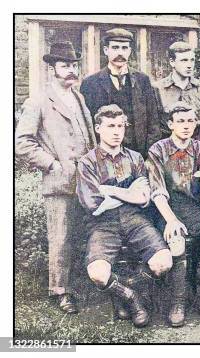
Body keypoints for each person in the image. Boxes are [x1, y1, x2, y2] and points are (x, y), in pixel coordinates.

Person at [16, 41, 97, 314]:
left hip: (85, 179)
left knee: (82, 234)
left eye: (74, 65)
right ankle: (61, 291)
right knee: (60, 238)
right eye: (65, 65)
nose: (71, 70)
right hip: (59, 182)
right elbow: (23, 143)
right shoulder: (38, 100)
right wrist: (52, 165)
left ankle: (83, 283)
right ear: (52, 68)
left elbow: (89, 136)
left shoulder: (78, 97)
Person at [76, 105, 173, 328]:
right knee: (98, 274)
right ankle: (131, 296)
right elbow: (94, 204)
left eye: (120, 126)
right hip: (103, 223)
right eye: (111, 126)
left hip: (135, 219)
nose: (117, 131)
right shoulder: (87, 162)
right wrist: (130, 193)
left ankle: (131, 287)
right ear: (98, 128)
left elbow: (144, 198)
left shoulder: (135, 158)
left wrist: (109, 190)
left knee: (163, 262)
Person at [145, 101, 200, 327]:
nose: (186, 126)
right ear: (171, 124)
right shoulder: (157, 150)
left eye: (190, 121)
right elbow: (157, 192)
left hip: (195, 207)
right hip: (167, 209)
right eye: (180, 121)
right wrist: (171, 220)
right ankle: (178, 301)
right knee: (177, 241)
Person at [80, 28, 162, 158]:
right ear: (106, 50)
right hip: (104, 156)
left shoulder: (143, 81)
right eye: (115, 48)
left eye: (124, 48)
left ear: (129, 51)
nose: (120, 53)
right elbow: (88, 126)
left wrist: (148, 157)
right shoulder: (90, 83)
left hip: (138, 154)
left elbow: (153, 123)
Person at [154, 41, 200, 137]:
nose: (189, 65)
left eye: (192, 60)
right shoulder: (158, 88)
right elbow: (153, 125)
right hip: (167, 144)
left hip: (195, 145)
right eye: (184, 60)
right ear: (172, 62)